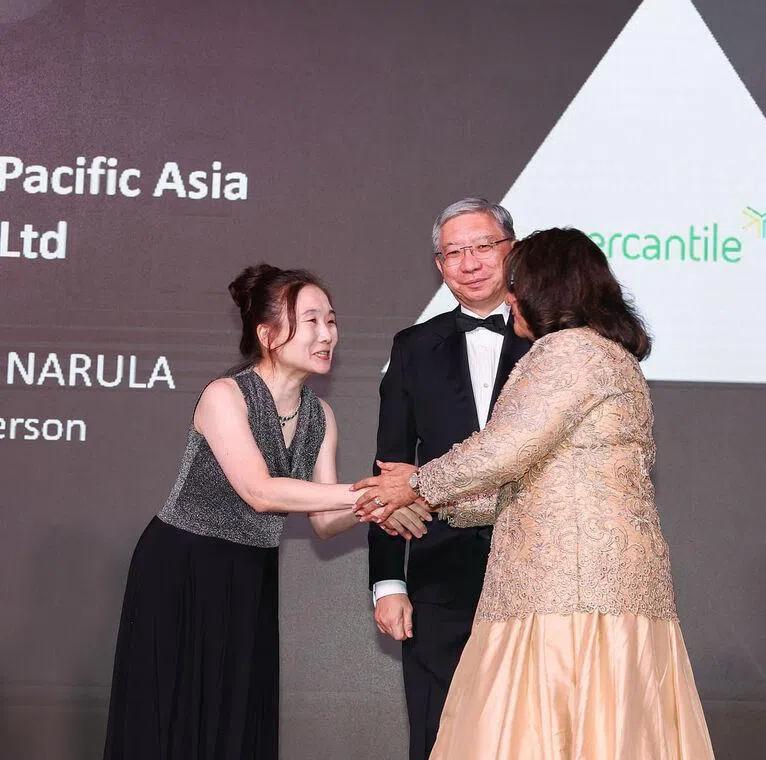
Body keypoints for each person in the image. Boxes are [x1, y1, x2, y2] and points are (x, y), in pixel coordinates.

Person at [355, 228, 717, 759]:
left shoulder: (570, 352)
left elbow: (504, 450)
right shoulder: (602, 352)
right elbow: (530, 484)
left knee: (546, 730)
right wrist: (428, 502)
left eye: (516, 284)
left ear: (545, 288)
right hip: (589, 585)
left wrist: (414, 484)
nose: (509, 297)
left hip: (571, 589)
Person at [103, 264, 376, 760]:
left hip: (252, 571)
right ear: (267, 335)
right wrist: (371, 491)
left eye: (331, 321)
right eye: (311, 321)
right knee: (174, 714)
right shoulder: (225, 395)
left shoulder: (320, 415)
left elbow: (323, 521)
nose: (326, 335)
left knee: (236, 714)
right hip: (183, 568)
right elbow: (261, 492)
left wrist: (379, 503)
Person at [366, 197, 531, 760]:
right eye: (453, 252)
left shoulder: (553, 341)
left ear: (511, 249)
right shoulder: (413, 347)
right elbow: (389, 469)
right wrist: (389, 582)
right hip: (440, 572)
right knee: (438, 733)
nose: (470, 263)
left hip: (538, 566)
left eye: (483, 246)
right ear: (439, 265)